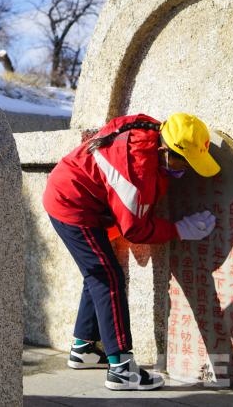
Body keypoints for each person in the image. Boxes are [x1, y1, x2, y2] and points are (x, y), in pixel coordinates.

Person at [43, 113, 219, 391]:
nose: (187, 170)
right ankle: (122, 369)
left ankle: (84, 349)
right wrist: (178, 229)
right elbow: (134, 230)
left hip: (72, 188)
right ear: (163, 150)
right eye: (184, 162)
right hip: (72, 203)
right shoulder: (136, 172)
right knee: (107, 278)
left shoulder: (148, 130)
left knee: (98, 271)